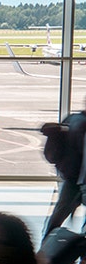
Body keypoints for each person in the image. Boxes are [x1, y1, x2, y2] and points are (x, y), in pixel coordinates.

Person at [43, 101, 86, 237]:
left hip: (71, 178)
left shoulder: (72, 119)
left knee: (57, 217)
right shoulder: (83, 125)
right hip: (80, 179)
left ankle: (46, 246)